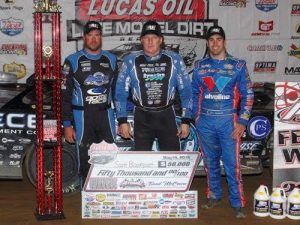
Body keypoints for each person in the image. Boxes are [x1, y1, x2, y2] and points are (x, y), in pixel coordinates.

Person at [192, 25, 254, 218]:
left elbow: (248, 94)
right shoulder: (199, 66)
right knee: (210, 162)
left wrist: (243, 122)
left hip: (229, 122)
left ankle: (237, 203)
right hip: (206, 122)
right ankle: (214, 195)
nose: (215, 43)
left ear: (224, 42)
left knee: (232, 164)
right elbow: (194, 94)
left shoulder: (238, 65)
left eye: (219, 39)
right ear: (208, 43)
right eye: (211, 40)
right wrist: (197, 117)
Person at [115, 20, 192, 151]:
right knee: (143, 164)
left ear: (161, 40)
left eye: (154, 37)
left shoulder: (175, 59)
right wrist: (122, 121)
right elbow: (120, 92)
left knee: (171, 162)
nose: (150, 41)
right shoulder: (130, 60)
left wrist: (186, 120)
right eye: (146, 38)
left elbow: (186, 91)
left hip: (167, 116)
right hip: (142, 117)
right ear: (141, 40)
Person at [61, 21, 118, 184]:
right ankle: (86, 195)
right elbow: (64, 95)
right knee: (85, 157)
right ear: (84, 37)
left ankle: (108, 192)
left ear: (101, 37)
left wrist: (121, 117)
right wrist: (67, 124)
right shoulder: (72, 61)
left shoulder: (112, 59)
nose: (93, 39)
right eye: (90, 35)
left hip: (105, 115)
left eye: (97, 35)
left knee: (109, 155)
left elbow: (117, 92)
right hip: (82, 116)